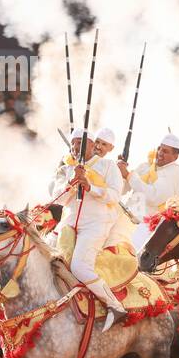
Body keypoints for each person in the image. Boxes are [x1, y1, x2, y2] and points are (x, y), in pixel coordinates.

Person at [53, 128, 126, 330]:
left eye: (81, 143)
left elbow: (115, 196)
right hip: (68, 225)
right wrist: (72, 181)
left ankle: (114, 305)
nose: (76, 146)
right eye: (74, 143)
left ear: (93, 146)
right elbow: (57, 199)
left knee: (79, 267)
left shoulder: (108, 165)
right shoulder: (67, 168)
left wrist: (90, 186)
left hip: (96, 224)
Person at [118, 132, 179, 249]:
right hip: (124, 218)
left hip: (145, 229)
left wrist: (129, 175)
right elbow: (122, 190)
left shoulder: (173, 173)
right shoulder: (146, 166)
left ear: (175, 157)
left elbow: (153, 197)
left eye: (165, 151)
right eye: (160, 148)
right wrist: (118, 172)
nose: (160, 153)